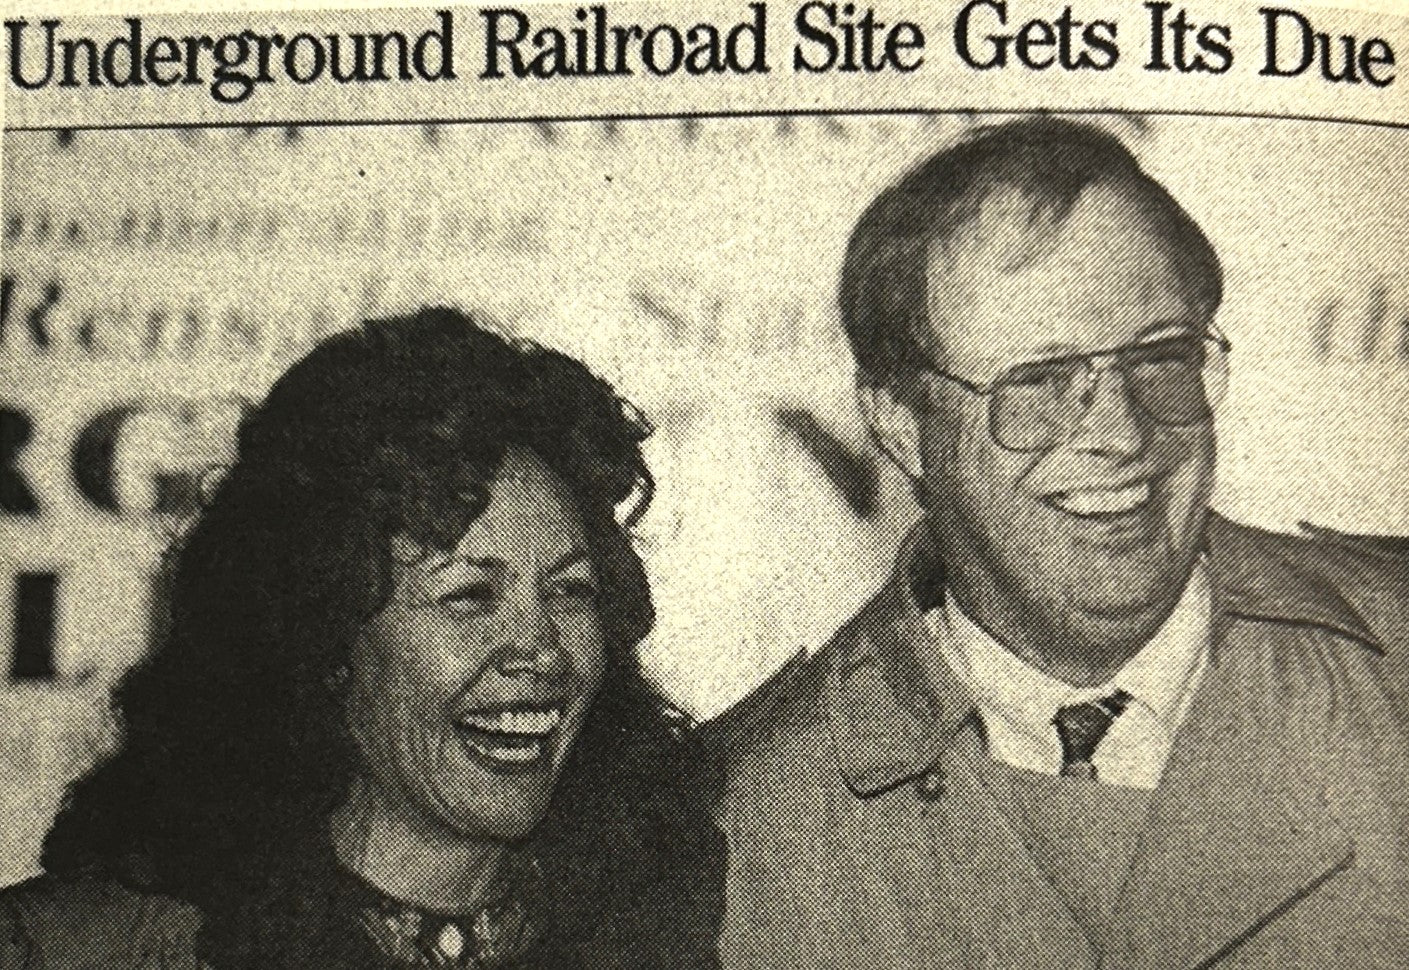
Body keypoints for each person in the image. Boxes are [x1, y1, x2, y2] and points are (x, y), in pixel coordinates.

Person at [711, 119, 1409, 969]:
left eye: (1159, 359)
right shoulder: (740, 814)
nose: (1118, 433)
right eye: (1038, 385)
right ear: (898, 423)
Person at [0, 308, 724, 969]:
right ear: (326, 637)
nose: (541, 648)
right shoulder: (81, 951)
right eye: (469, 595)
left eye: (571, 591)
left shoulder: (669, 924)